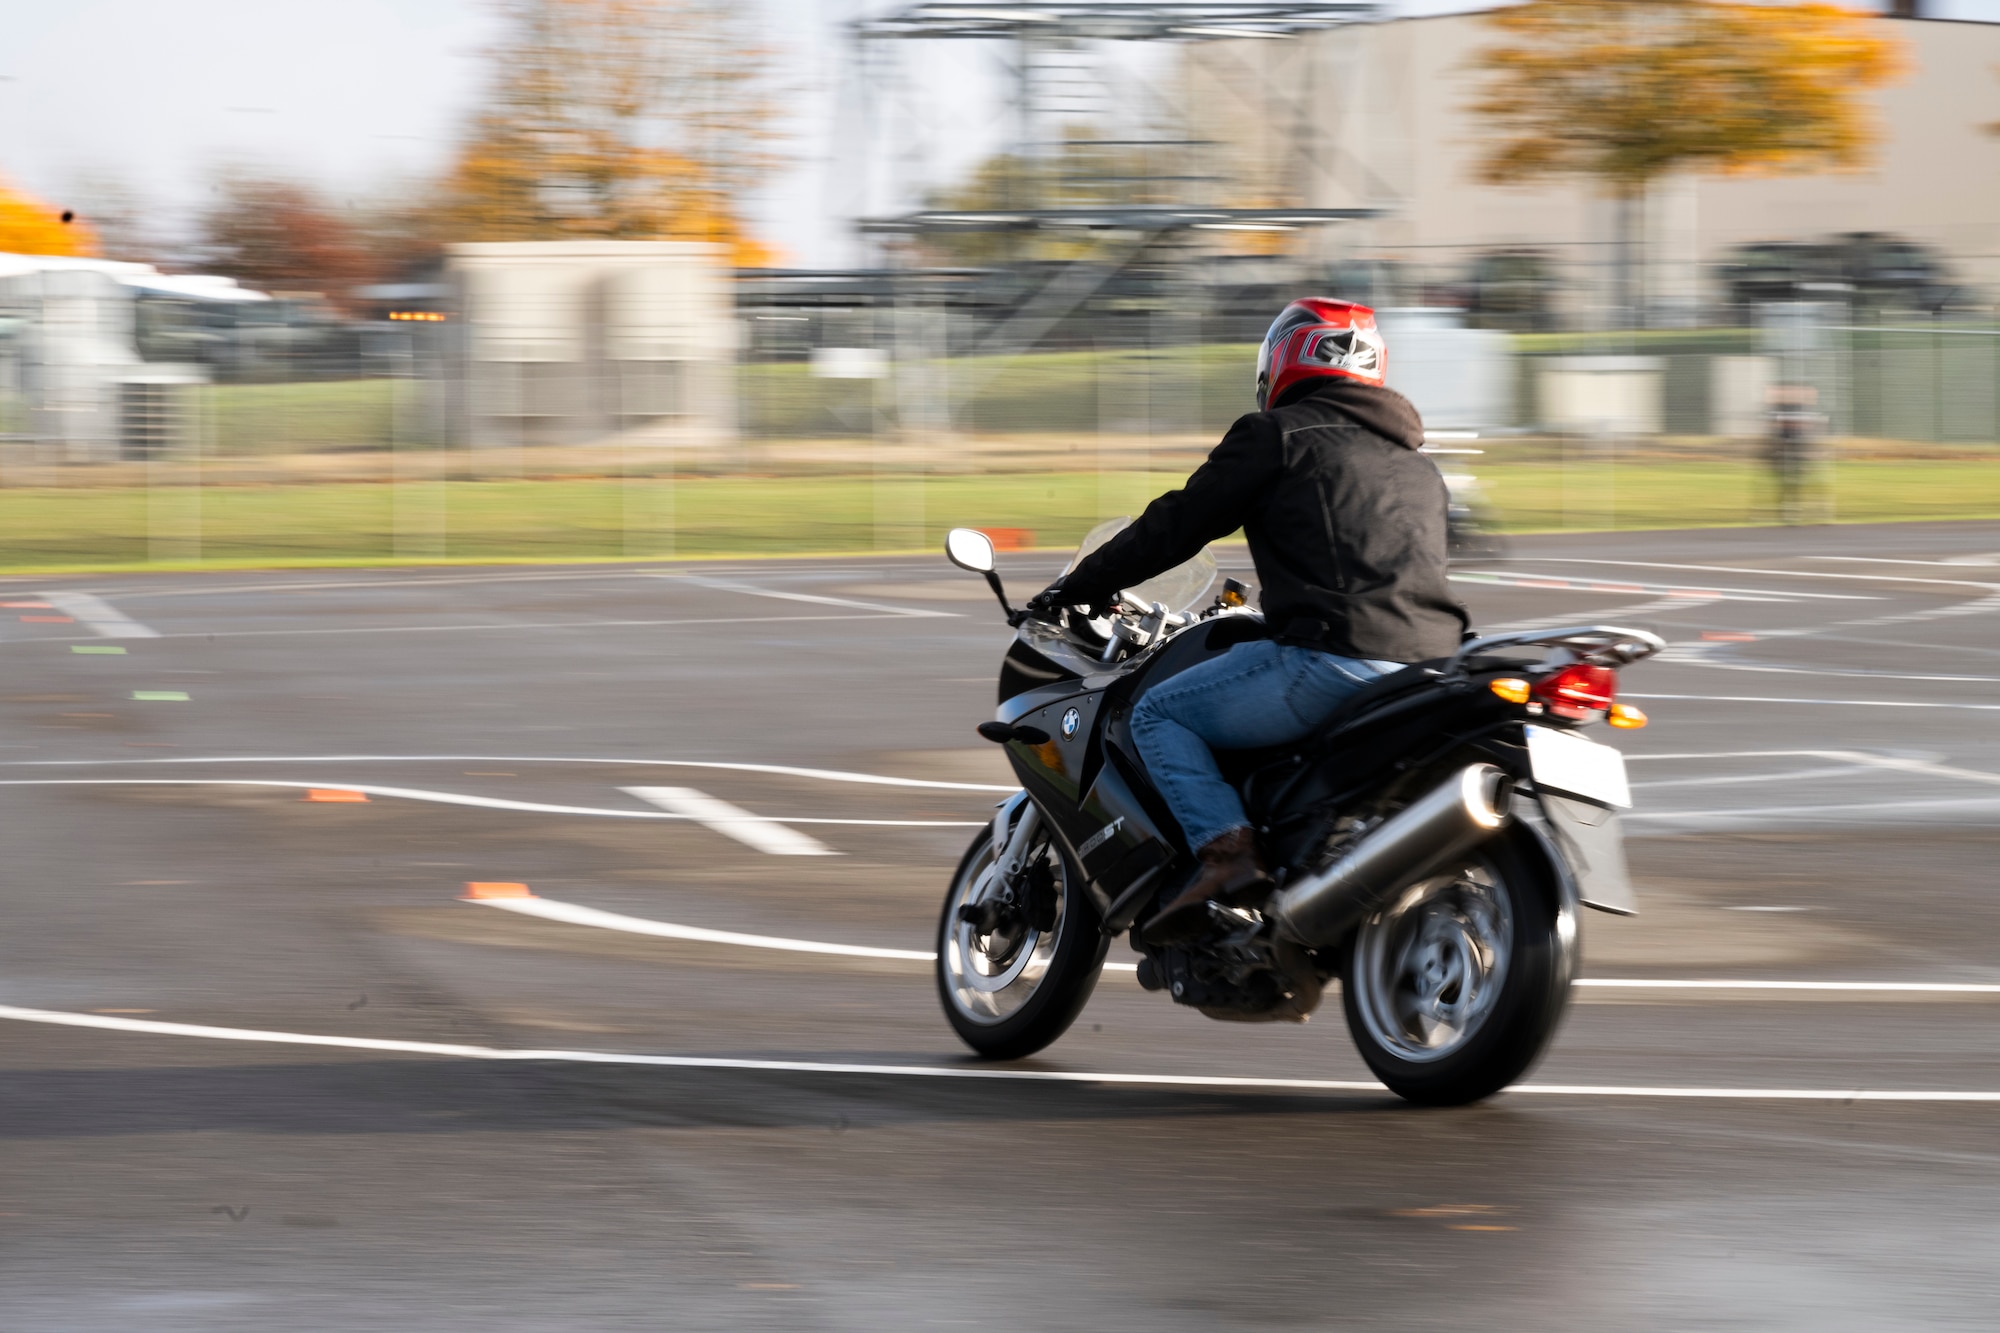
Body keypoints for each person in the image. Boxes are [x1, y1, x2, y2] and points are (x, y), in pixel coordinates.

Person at [1025, 300, 1469, 945]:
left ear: (1282, 359)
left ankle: (1228, 857)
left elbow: (1178, 523)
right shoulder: (1418, 464)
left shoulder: (1278, 435)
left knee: (1155, 714)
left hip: (1334, 660)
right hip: (1430, 670)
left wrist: (1082, 582)